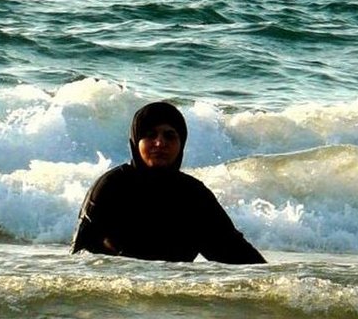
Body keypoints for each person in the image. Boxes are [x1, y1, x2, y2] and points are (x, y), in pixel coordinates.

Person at [71, 101, 266, 263]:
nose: (160, 142)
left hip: (173, 305)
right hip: (117, 302)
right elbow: (79, 256)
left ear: (181, 143)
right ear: (136, 141)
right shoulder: (111, 187)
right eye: (150, 135)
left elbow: (234, 252)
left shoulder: (193, 195)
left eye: (169, 135)